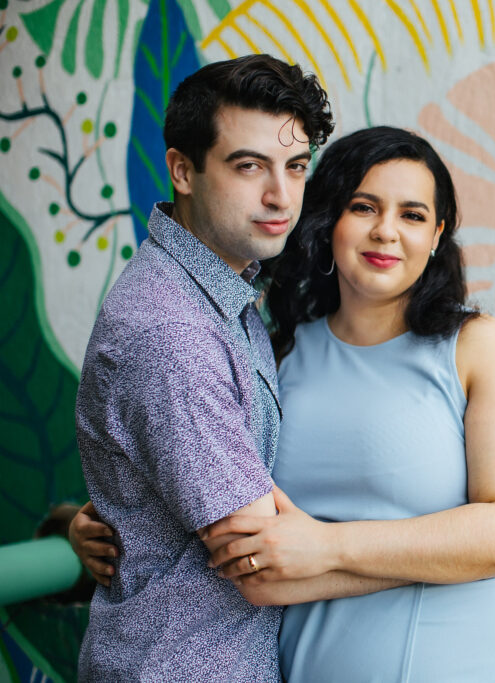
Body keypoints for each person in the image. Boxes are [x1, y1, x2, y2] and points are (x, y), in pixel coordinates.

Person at [198, 126, 495, 681]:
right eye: (364, 207)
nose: (386, 231)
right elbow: (250, 555)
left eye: (412, 215)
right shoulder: (272, 357)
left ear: (437, 235)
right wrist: (88, 523)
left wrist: (327, 547)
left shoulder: (480, 347)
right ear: (328, 220)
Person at [71, 53, 353, 681]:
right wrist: (452, 562)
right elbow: (261, 563)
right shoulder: (172, 330)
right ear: (183, 170)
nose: (281, 195)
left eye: (296, 166)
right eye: (249, 166)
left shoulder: (224, 291)